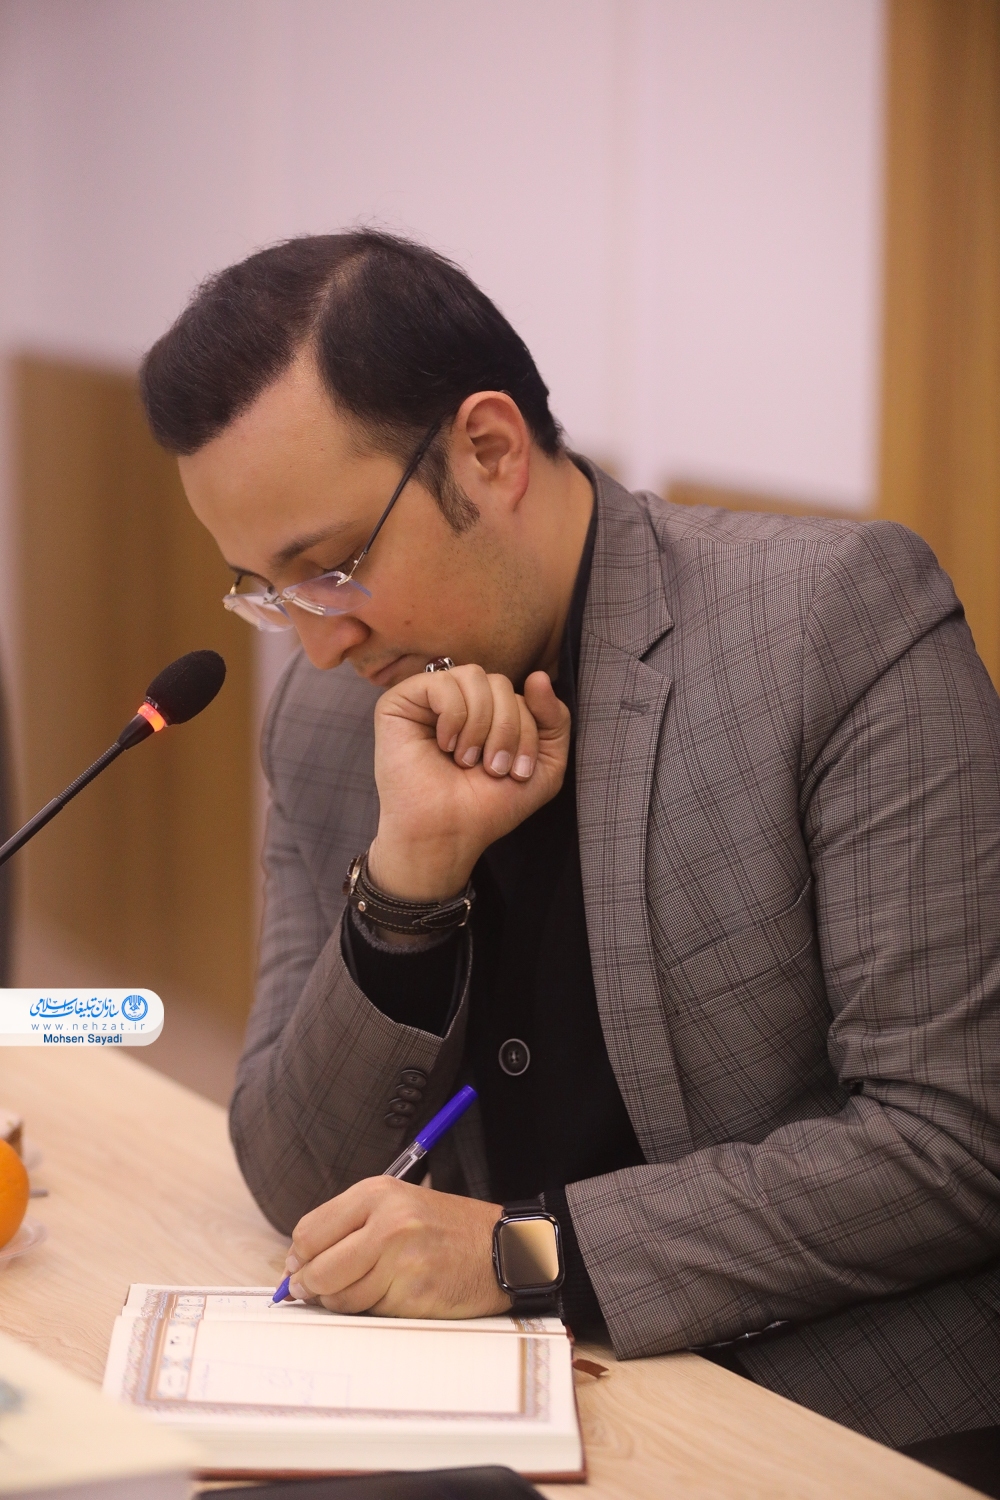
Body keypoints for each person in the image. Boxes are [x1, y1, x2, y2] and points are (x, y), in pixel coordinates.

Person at [140, 230, 1000, 1455]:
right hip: (509, 1406)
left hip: (832, 1416)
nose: (318, 642)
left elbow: (950, 1147)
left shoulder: (829, 626)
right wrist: (405, 892)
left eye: (329, 567)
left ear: (489, 452)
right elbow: (293, 1177)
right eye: (267, 591)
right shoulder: (335, 720)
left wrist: (520, 1253)